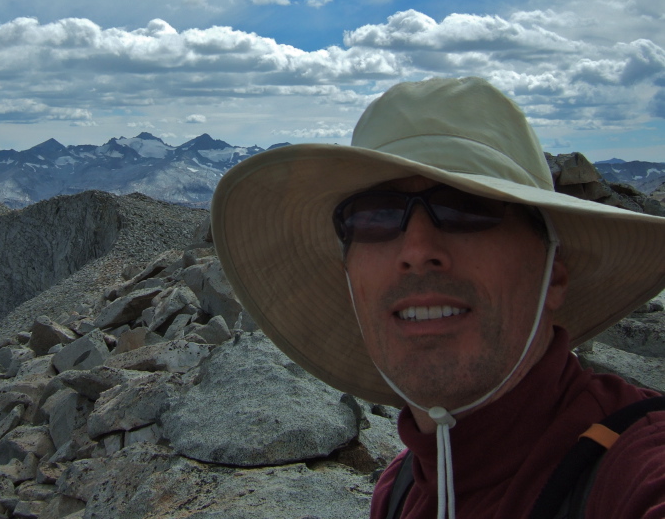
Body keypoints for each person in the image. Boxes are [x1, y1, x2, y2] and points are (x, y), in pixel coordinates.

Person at [210, 77, 665, 518]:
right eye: (377, 216)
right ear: (349, 275)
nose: (417, 251)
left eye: (467, 206)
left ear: (554, 275)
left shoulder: (634, 466)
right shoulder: (399, 489)